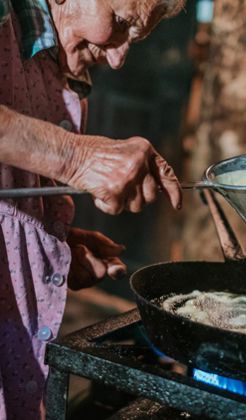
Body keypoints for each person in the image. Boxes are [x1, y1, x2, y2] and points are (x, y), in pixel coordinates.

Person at [0, 0, 184, 418]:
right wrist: (77, 158)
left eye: (135, 39)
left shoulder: (59, 65)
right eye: (120, 23)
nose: (118, 59)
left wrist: (42, 244)